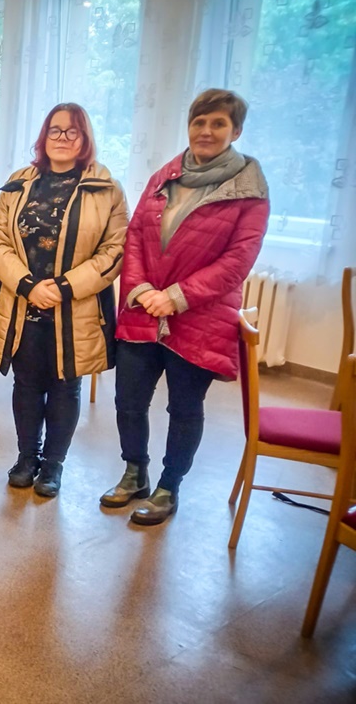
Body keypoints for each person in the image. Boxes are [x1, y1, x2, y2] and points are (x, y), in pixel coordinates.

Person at [100, 88, 269, 525]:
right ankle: (134, 471)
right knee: (129, 400)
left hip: (200, 317)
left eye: (218, 124)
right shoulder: (164, 177)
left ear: (236, 131)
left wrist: (174, 297)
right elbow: (135, 236)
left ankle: (169, 486)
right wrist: (139, 291)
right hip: (142, 310)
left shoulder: (248, 191)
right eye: (199, 122)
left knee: (184, 408)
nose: (206, 131)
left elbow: (237, 262)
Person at [0, 103, 128, 498]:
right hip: (22, 304)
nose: (63, 139)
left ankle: (53, 465)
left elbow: (115, 250)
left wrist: (63, 288)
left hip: (76, 309)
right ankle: (26, 458)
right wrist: (30, 286)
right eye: (55, 131)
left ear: (85, 139)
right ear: (43, 137)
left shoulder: (106, 188)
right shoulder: (18, 184)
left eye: (72, 132)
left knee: (66, 386)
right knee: (26, 384)